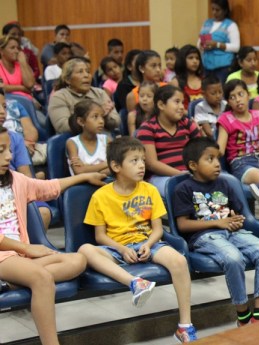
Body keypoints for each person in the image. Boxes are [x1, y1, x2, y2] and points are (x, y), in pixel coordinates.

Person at [77, 137, 196, 343]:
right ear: (116, 166)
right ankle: (135, 284)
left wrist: (148, 245)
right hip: (116, 248)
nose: (142, 165)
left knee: (180, 261)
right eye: (134, 161)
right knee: (85, 249)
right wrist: (122, 249)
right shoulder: (100, 196)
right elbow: (100, 236)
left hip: (147, 242)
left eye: (142, 160)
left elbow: (158, 229)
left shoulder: (150, 189)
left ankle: (185, 326)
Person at [0, 124, 106, 345]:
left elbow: (49, 187)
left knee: (78, 260)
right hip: (5, 254)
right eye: (1, 150)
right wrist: (26, 248)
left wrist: (82, 178)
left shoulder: (15, 180)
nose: (9, 156)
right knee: (42, 278)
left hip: (19, 257)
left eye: (9, 149)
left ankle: (11, 282)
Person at [174, 137, 259, 327]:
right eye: (209, 159)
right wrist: (219, 223)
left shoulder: (225, 183)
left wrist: (236, 221)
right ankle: (243, 315)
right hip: (205, 237)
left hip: (232, 232)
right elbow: (183, 225)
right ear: (193, 165)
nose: (217, 164)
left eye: (217, 159)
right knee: (233, 258)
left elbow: (238, 213)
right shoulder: (183, 188)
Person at [217, 80, 259, 200]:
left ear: (248, 95)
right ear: (228, 102)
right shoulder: (225, 119)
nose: (237, 99)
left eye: (240, 94)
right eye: (232, 97)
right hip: (241, 164)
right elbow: (220, 149)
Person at [137, 85, 201, 197]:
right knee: (179, 187)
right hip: (161, 177)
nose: (182, 107)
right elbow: (151, 164)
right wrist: (181, 175)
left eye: (182, 102)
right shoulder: (147, 128)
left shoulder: (187, 124)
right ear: (161, 105)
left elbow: (202, 151)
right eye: (177, 102)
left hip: (190, 173)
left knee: (226, 181)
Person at [0, 89, 52, 227]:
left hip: (15, 189)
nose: (2, 112)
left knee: (43, 211)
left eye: (4, 107)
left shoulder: (15, 138)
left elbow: (26, 175)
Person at [48, 57, 120, 134]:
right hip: (74, 141)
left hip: (104, 138)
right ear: (68, 79)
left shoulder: (100, 93)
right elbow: (62, 126)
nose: (86, 75)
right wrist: (97, 115)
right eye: (80, 72)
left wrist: (105, 116)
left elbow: (116, 121)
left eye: (88, 72)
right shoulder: (59, 97)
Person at [66, 100, 112, 176]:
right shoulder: (72, 143)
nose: (101, 121)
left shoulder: (106, 139)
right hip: (83, 186)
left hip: (106, 182)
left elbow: (115, 166)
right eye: (95, 117)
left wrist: (86, 168)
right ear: (81, 121)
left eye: (102, 117)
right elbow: (78, 171)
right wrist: (106, 164)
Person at [199, 0, 240, 82]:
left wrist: (217, 45)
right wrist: (202, 45)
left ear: (224, 11)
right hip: (206, 65)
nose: (214, 12)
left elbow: (236, 47)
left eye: (217, 10)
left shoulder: (231, 25)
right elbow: (199, 41)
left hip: (223, 67)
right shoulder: (207, 23)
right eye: (212, 9)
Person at [0, 35, 36, 100]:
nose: (16, 51)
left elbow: (30, 84)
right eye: (12, 48)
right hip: (6, 103)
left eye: (18, 48)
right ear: (1, 51)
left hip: (26, 102)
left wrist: (23, 62)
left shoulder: (22, 65)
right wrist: (22, 88)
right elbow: (1, 87)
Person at [170, 45, 204, 110]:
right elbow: (174, 107)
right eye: (191, 58)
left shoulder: (204, 80)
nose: (195, 61)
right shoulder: (176, 82)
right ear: (182, 60)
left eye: (197, 58)